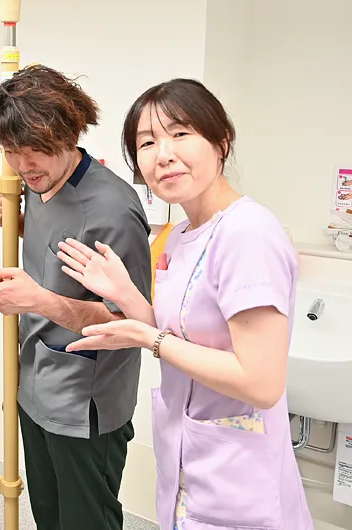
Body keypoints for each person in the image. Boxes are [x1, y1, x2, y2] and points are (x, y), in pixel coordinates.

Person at [57, 79, 313, 529]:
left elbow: (261, 381)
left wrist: (148, 339)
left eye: (180, 133)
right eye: (147, 142)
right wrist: (125, 295)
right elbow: (179, 332)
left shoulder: (247, 232)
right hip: (189, 460)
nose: (163, 154)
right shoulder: (179, 235)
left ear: (221, 140)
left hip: (239, 478)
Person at [0, 65, 152, 530]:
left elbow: (129, 325)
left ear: (71, 132)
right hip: (35, 387)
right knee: (48, 516)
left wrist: (37, 301)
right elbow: (58, 250)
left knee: (86, 522)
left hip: (83, 405)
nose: (25, 165)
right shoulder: (37, 186)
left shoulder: (112, 210)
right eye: (12, 152)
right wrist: (11, 219)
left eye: (37, 151)